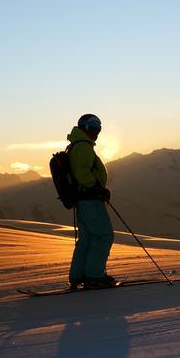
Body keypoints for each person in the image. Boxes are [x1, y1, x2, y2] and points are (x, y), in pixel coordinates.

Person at [67, 113, 115, 289]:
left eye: (98, 128)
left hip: (82, 199)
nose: (96, 132)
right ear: (84, 127)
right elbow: (82, 173)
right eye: (93, 128)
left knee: (87, 238)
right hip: (89, 199)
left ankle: (78, 275)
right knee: (104, 235)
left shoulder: (77, 145)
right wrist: (97, 189)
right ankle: (94, 276)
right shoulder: (83, 147)